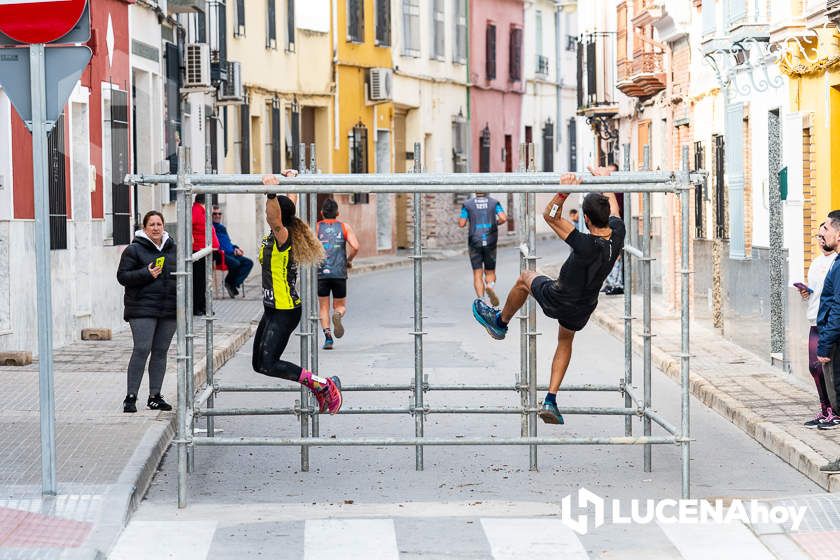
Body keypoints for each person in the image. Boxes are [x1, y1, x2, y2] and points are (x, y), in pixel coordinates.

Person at [472, 166, 625, 425]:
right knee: (565, 341)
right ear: (606, 216)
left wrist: (563, 192)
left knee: (524, 279)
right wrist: (605, 183)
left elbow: (549, 215)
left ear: (586, 218)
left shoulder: (583, 242)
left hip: (558, 296)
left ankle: (500, 323)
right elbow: (616, 210)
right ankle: (551, 400)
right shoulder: (617, 234)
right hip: (583, 307)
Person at [253, 173, 343, 414]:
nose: (267, 215)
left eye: (270, 211)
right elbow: (287, 207)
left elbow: (276, 215)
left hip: (285, 310)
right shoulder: (277, 232)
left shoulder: (283, 236)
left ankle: (323, 384)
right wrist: (289, 180)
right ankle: (319, 385)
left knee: (268, 363)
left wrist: (271, 192)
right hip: (272, 308)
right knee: (258, 365)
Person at [116, 211, 177, 413]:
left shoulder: (172, 248)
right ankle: (131, 397)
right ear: (144, 228)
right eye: (151, 224)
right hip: (142, 308)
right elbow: (123, 276)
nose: (156, 228)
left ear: (164, 226)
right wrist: (146, 273)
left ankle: (155, 396)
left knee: (160, 352)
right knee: (142, 349)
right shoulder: (134, 250)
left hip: (168, 309)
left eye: (159, 224)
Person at [799, 223, 839, 428]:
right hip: (815, 319)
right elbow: (821, 293)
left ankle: (834, 410)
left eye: (824, 233)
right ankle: (825, 409)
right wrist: (807, 293)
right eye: (818, 235)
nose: (820, 238)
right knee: (815, 368)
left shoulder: (836, 262)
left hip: (829, 324)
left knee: (828, 369)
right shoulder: (816, 262)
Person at [317, 198, 360, 350]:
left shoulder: (316, 228)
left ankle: (328, 338)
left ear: (322, 213)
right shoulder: (344, 227)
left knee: (323, 307)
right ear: (338, 213)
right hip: (339, 273)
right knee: (340, 305)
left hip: (321, 273)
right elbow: (355, 246)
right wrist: (348, 260)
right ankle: (338, 315)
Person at [458, 192, 508, 306]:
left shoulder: (467, 204)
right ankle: (490, 286)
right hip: (490, 240)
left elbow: (461, 223)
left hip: (474, 240)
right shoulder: (494, 203)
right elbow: (503, 218)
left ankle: (481, 300)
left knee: (477, 273)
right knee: (490, 272)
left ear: (476, 191)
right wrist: (495, 223)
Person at [212, 205, 254, 298]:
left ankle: (233, 284)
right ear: (210, 215)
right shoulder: (210, 228)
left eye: (219, 213)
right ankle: (229, 283)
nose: (217, 215)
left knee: (248, 262)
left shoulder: (222, 228)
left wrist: (236, 248)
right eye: (214, 214)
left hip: (231, 253)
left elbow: (228, 242)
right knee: (236, 263)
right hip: (220, 255)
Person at [192, 194, 220, 315]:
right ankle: (197, 307)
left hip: (206, 251)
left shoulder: (202, 211)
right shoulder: (196, 210)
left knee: (204, 282)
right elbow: (189, 226)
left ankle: (203, 306)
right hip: (199, 251)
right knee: (199, 282)